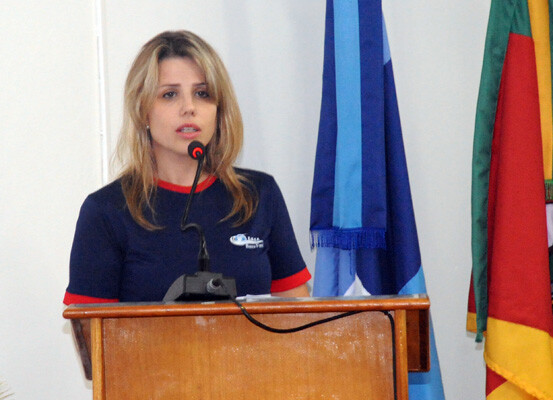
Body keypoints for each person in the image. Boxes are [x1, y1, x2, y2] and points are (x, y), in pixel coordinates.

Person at [63, 30, 311, 305]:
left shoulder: (259, 195)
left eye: (202, 93)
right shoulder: (106, 211)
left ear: (219, 109)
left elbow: (300, 315)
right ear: (142, 111)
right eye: (169, 94)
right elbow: (92, 328)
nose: (189, 107)